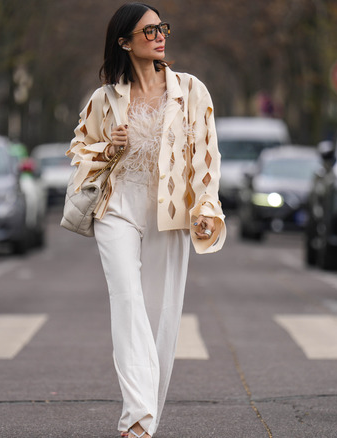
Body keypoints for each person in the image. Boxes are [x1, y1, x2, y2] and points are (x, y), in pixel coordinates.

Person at [66, 3, 225, 437]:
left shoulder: (190, 91)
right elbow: (81, 152)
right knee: (127, 298)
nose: (159, 35)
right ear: (124, 42)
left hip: (169, 210)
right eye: (148, 30)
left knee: (160, 314)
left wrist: (206, 209)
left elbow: (206, 158)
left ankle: (145, 415)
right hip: (118, 204)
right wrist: (109, 147)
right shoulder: (104, 99)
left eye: (161, 28)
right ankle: (136, 418)